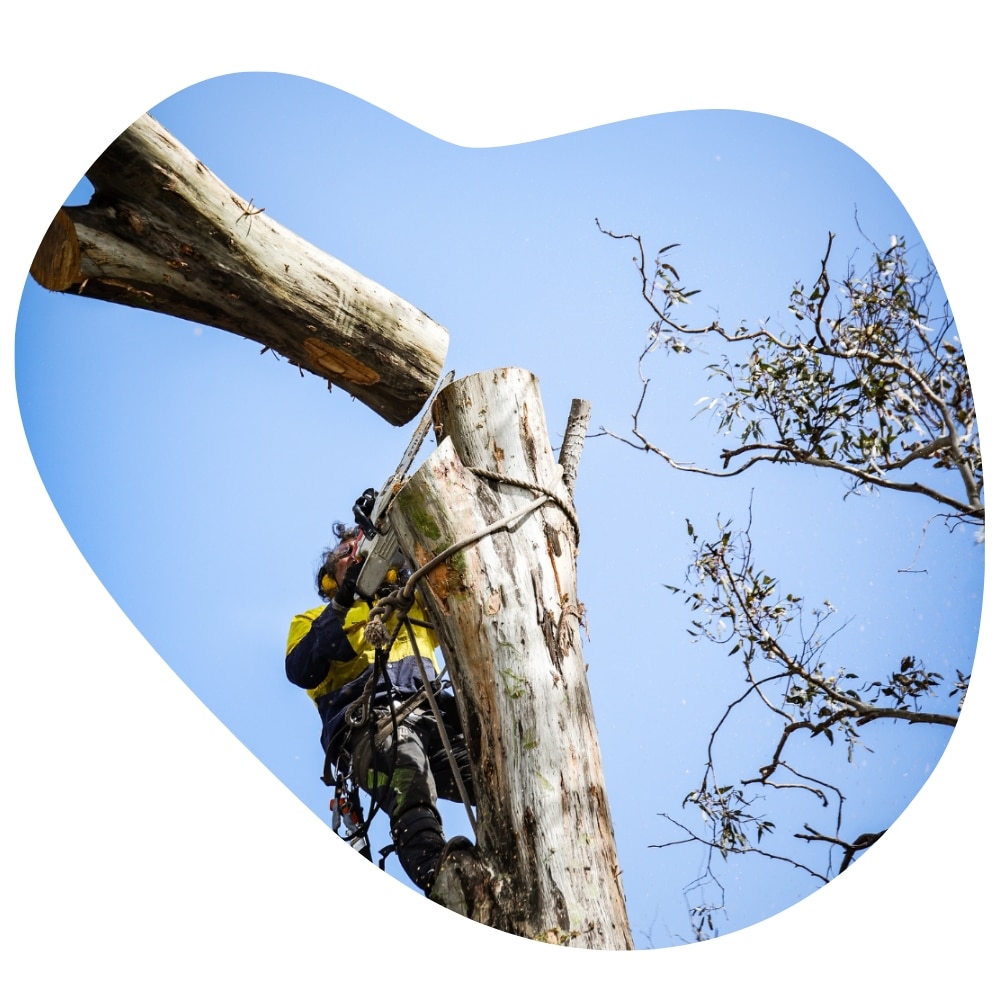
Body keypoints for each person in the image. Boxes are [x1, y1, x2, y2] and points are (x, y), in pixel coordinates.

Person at [285, 522, 475, 895]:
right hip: (373, 730)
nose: (355, 554)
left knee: (488, 771)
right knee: (409, 777)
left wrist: (404, 533)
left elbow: (459, 585)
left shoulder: (413, 602)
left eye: (362, 547)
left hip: (436, 719)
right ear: (330, 577)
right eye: (345, 553)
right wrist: (344, 602)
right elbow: (302, 669)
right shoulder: (311, 621)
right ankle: (441, 878)